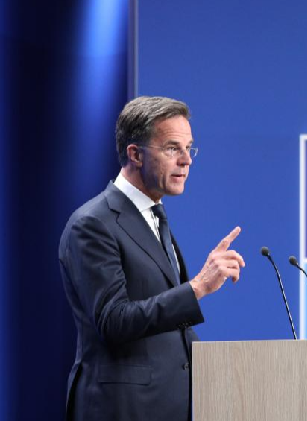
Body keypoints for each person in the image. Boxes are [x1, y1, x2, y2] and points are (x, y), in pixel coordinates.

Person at [59, 96, 245, 420]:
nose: (186, 161)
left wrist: (232, 370)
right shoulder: (93, 223)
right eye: (173, 148)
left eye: (189, 148)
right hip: (122, 409)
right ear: (135, 154)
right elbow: (113, 321)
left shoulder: (154, 218)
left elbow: (167, 327)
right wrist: (197, 288)